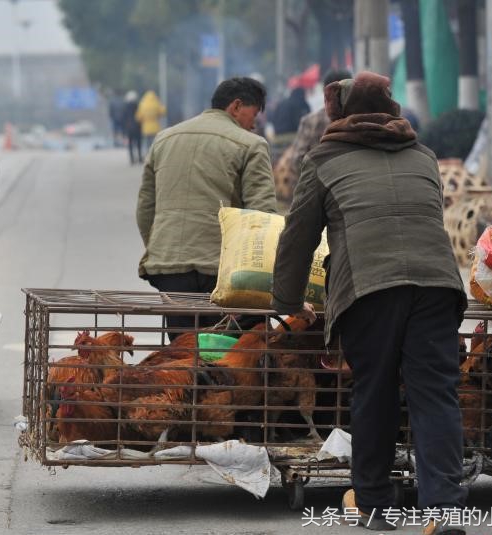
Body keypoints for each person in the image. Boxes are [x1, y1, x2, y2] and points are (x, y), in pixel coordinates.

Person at [271, 71, 467, 535]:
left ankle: (374, 504)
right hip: (438, 284)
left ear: (339, 114)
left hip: (369, 287)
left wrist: (287, 301)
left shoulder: (323, 159)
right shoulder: (423, 155)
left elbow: (298, 238)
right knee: (435, 394)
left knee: (374, 391)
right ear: (392, 108)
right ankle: (443, 510)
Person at [137, 77, 276, 338]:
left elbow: (145, 208)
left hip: (169, 267)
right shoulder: (251, 144)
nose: (254, 124)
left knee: (182, 351)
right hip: (221, 271)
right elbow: (261, 217)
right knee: (227, 352)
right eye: (254, 114)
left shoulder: (164, 138)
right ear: (236, 106)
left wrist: (161, 249)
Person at [277, 69, 351, 199]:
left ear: (325, 92)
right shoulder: (360, 119)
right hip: (351, 188)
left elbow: (297, 160)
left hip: (318, 190)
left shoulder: (311, 121)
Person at [122, 90, 143, 165]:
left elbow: (123, 118)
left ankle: (132, 159)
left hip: (129, 127)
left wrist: (124, 129)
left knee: (130, 144)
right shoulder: (138, 106)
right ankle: (140, 158)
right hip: (137, 126)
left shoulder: (125, 107)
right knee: (138, 143)